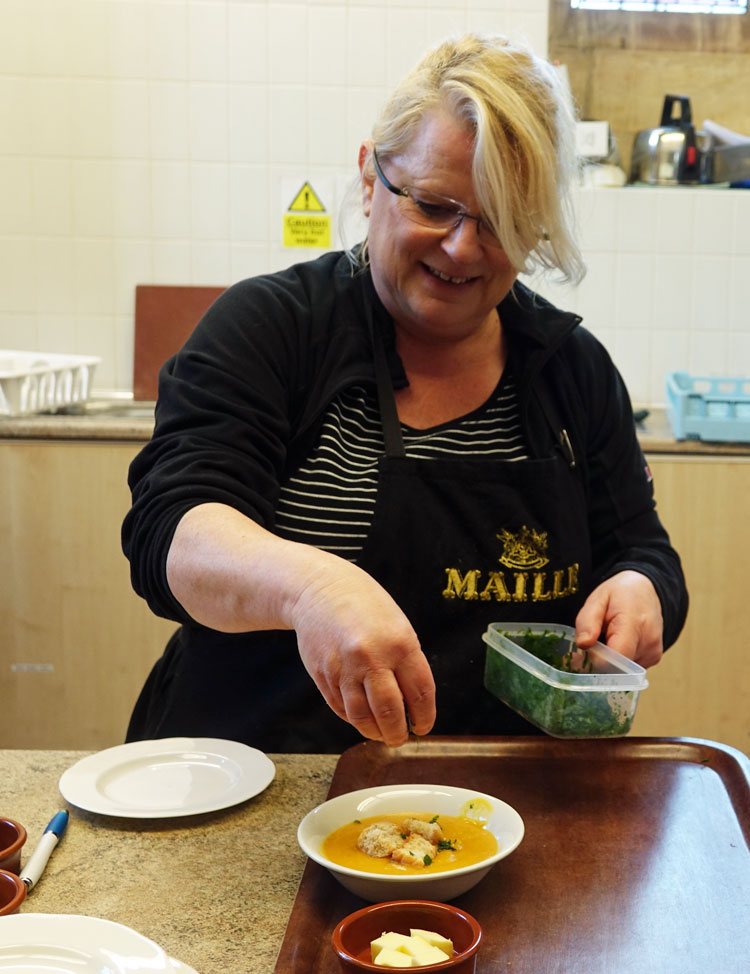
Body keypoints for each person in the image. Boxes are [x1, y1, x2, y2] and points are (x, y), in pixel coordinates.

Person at [122, 33, 688, 753]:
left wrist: (643, 589)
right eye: (434, 204)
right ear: (369, 177)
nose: (461, 247)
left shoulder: (568, 368)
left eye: (501, 222)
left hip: (498, 797)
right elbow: (172, 532)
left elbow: (643, 548)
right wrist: (312, 589)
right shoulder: (273, 329)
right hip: (263, 776)